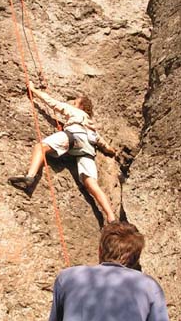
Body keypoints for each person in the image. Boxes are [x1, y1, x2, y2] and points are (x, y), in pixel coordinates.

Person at [9, 86, 117, 223]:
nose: (72, 104)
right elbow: (105, 146)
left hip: (73, 136)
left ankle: (30, 177)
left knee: (40, 147)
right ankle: (110, 216)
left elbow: (53, 103)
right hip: (88, 148)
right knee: (91, 183)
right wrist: (113, 151)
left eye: (75, 102)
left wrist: (33, 90)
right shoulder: (92, 126)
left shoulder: (76, 112)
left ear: (81, 106)